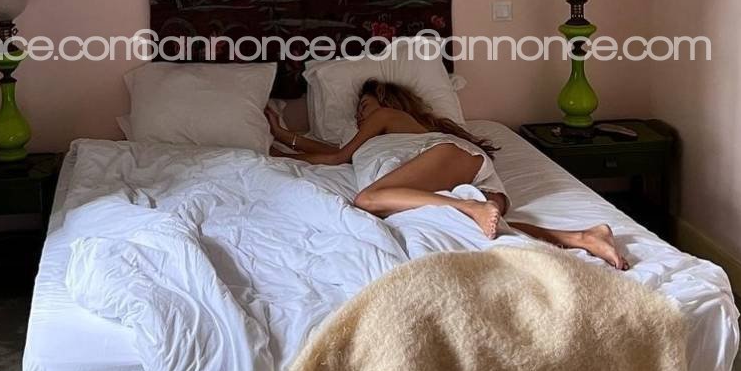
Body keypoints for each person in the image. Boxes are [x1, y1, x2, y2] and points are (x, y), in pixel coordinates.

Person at [267, 78, 628, 270]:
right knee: (475, 228)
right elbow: (333, 152)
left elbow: (337, 157)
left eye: (364, 106)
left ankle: (471, 207)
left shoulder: (385, 117)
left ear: (385, 101)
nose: (361, 115)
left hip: (444, 159)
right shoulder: (376, 132)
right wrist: (283, 141)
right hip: (455, 169)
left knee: (367, 199)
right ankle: (584, 236)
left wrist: (284, 146)